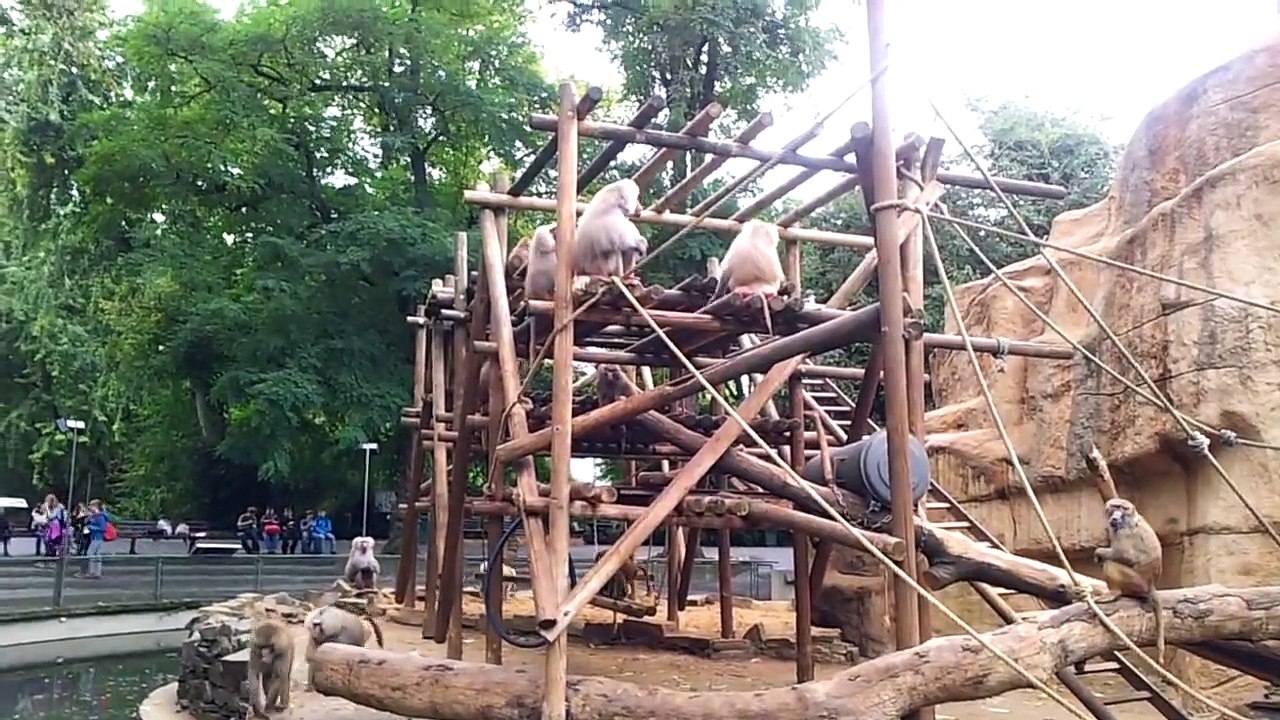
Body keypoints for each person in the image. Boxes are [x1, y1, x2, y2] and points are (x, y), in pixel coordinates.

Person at [79, 499, 109, 579]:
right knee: (97, 554)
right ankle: (96, 572)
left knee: (91, 553)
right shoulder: (95, 515)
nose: (89, 507)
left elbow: (102, 528)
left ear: (96, 507)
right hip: (95, 537)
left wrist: (91, 527)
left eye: (91, 506)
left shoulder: (100, 516)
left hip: (97, 537)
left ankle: (92, 572)